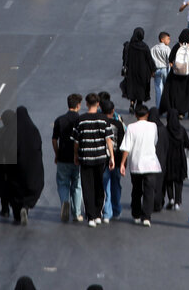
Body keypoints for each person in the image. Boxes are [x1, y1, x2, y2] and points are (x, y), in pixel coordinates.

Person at [73, 93, 116, 227]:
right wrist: (112, 157)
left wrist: (75, 155)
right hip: (100, 158)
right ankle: (98, 213)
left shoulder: (81, 120)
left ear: (86, 104)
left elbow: (76, 141)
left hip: (85, 158)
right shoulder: (104, 119)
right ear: (98, 104)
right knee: (99, 186)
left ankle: (90, 216)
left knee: (87, 187)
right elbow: (109, 140)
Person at [118, 104, 161, 225]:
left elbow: (126, 147)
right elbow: (155, 142)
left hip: (136, 164)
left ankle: (136, 214)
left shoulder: (131, 128)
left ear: (136, 115)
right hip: (151, 164)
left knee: (136, 190)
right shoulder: (153, 126)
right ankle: (147, 217)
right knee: (149, 191)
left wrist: (122, 163)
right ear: (147, 115)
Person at [6, 106, 44, 225]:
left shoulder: (11, 131)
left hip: (15, 166)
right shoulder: (33, 130)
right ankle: (26, 206)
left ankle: (17, 214)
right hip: (31, 166)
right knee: (34, 185)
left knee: (14, 189)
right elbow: (38, 146)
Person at [51, 93, 84, 222]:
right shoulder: (81, 120)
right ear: (78, 105)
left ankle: (65, 202)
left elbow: (54, 140)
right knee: (77, 185)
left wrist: (57, 154)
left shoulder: (59, 120)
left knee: (62, 183)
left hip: (63, 157)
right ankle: (77, 213)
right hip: (77, 158)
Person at [161, 29, 189, 118]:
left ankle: (180, 113)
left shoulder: (177, 46)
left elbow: (170, 58)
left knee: (177, 93)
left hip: (176, 75)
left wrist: (175, 67)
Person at [161, 108, 189, 210]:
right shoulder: (182, 130)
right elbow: (187, 144)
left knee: (168, 179)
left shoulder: (165, 130)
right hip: (180, 158)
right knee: (178, 181)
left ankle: (171, 199)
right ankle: (178, 202)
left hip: (168, 158)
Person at [121, 28, 154, 111]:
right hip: (142, 72)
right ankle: (139, 105)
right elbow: (149, 59)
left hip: (131, 71)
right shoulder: (144, 47)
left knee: (132, 88)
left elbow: (125, 58)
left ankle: (132, 104)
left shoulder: (129, 46)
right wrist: (153, 69)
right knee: (141, 89)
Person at [150, 31, 172, 113]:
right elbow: (170, 61)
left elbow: (150, 61)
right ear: (162, 39)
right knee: (167, 89)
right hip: (165, 69)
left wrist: (152, 71)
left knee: (158, 89)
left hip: (156, 70)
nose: (169, 41)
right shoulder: (167, 49)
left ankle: (158, 107)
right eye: (168, 39)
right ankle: (168, 106)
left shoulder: (153, 49)